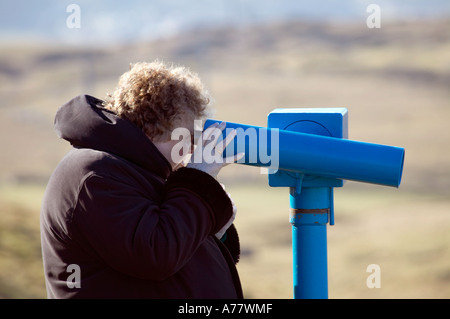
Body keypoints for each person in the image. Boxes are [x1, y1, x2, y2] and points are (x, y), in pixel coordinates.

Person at [40, 61, 243, 298]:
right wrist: (198, 185)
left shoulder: (135, 171)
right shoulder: (93, 174)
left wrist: (212, 226)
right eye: (185, 136)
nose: (190, 150)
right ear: (152, 128)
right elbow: (155, 254)